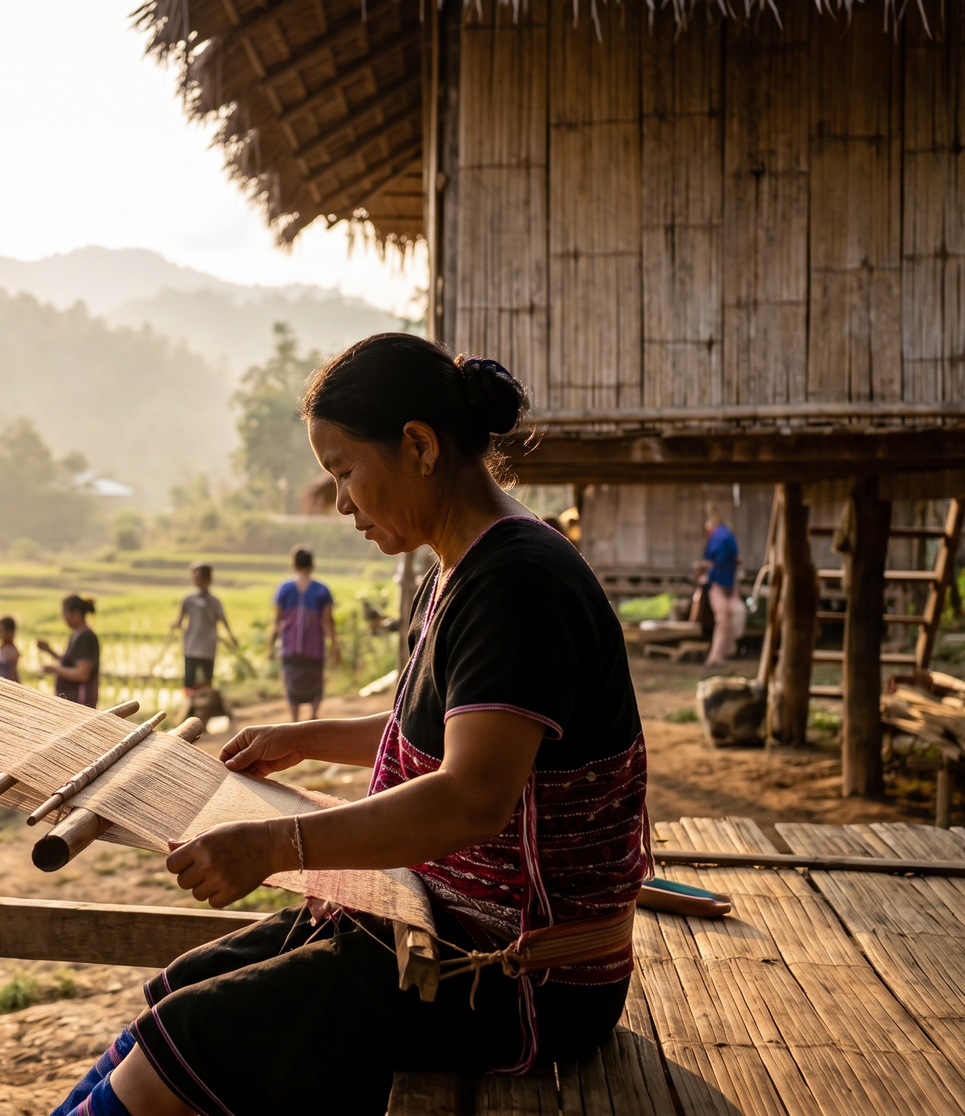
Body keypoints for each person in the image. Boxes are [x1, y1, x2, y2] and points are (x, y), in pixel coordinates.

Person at [50, 334, 647, 1116]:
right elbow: (446, 730)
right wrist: (305, 737)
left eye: (343, 471)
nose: (339, 503)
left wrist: (272, 846)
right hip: (430, 925)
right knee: (181, 993)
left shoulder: (518, 586)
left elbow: (472, 797)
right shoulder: (464, 572)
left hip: (517, 976)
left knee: (195, 1035)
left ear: (420, 446)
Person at [271, 546, 338, 721]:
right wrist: (335, 645)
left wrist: (271, 645)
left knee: (292, 683)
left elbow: (277, 621)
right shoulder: (322, 589)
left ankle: (294, 719)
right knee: (315, 683)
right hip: (314, 648)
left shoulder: (284, 588)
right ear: (311, 565)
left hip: (290, 647)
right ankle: (313, 716)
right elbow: (328, 621)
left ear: (293, 564)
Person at [171, 562, 237, 694]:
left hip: (208, 646)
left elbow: (223, 621)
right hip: (191, 645)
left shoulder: (214, 601)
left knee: (207, 680)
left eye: (199, 576)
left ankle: (204, 707)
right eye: (194, 576)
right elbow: (180, 618)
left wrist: (231, 638)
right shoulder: (188, 599)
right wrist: (175, 625)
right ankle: (189, 707)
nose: (196, 579)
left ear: (209, 579)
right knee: (189, 680)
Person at [698, 504, 743, 667]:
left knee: (723, 619)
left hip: (719, 582)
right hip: (727, 582)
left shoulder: (717, 536)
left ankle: (717, 656)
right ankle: (723, 652)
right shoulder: (727, 535)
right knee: (725, 618)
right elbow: (737, 558)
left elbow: (709, 560)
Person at [37, 595, 101, 707]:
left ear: (76, 614)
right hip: (71, 703)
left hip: (79, 704)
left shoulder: (85, 637)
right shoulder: (77, 634)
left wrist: (55, 669)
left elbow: (82, 674)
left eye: (65, 613)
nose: (64, 618)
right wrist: (49, 651)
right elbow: (70, 663)